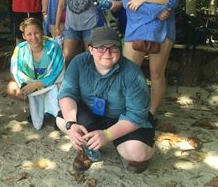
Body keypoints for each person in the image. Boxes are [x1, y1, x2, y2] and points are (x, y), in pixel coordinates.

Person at [57, 27, 155, 174]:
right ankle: (87, 150)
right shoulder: (79, 62)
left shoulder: (133, 73)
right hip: (91, 114)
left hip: (123, 119)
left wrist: (107, 135)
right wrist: (71, 123)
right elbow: (67, 93)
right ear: (90, 49)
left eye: (113, 48)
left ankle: (118, 142)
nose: (107, 53)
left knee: (137, 153)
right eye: (101, 48)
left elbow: (136, 115)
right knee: (62, 120)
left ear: (120, 49)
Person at [122, 0, 182, 115]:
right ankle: (130, 111)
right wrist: (158, 9)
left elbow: (174, 0)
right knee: (129, 74)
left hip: (163, 28)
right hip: (137, 26)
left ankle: (151, 113)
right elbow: (129, 2)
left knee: (156, 74)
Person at [7, 18, 64, 130]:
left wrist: (37, 84)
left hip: (51, 84)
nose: (33, 37)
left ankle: (56, 113)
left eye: (36, 32)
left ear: (42, 31)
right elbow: (16, 72)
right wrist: (30, 85)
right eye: (29, 34)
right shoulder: (20, 49)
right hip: (30, 85)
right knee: (11, 88)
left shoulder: (53, 46)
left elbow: (58, 71)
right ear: (24, 36)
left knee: (63, 86)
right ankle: (40, 108)